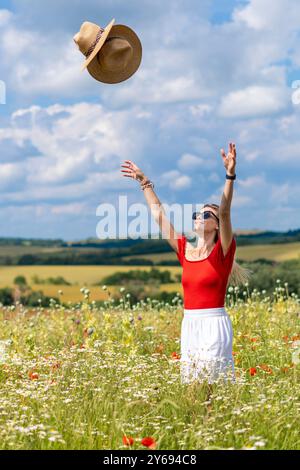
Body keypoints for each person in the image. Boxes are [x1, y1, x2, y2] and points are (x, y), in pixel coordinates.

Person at [120, 143, 251, 396]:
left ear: (215, 226)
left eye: (206, 215)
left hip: (213, 323)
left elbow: (224, 212)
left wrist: (230, 176)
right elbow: (159, 216)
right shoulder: (184, 251)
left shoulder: (222, 253)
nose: (199, 217)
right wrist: (144, 182)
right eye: (197, 213)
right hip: (189, 324)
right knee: (193, 390)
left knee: (212, 388)